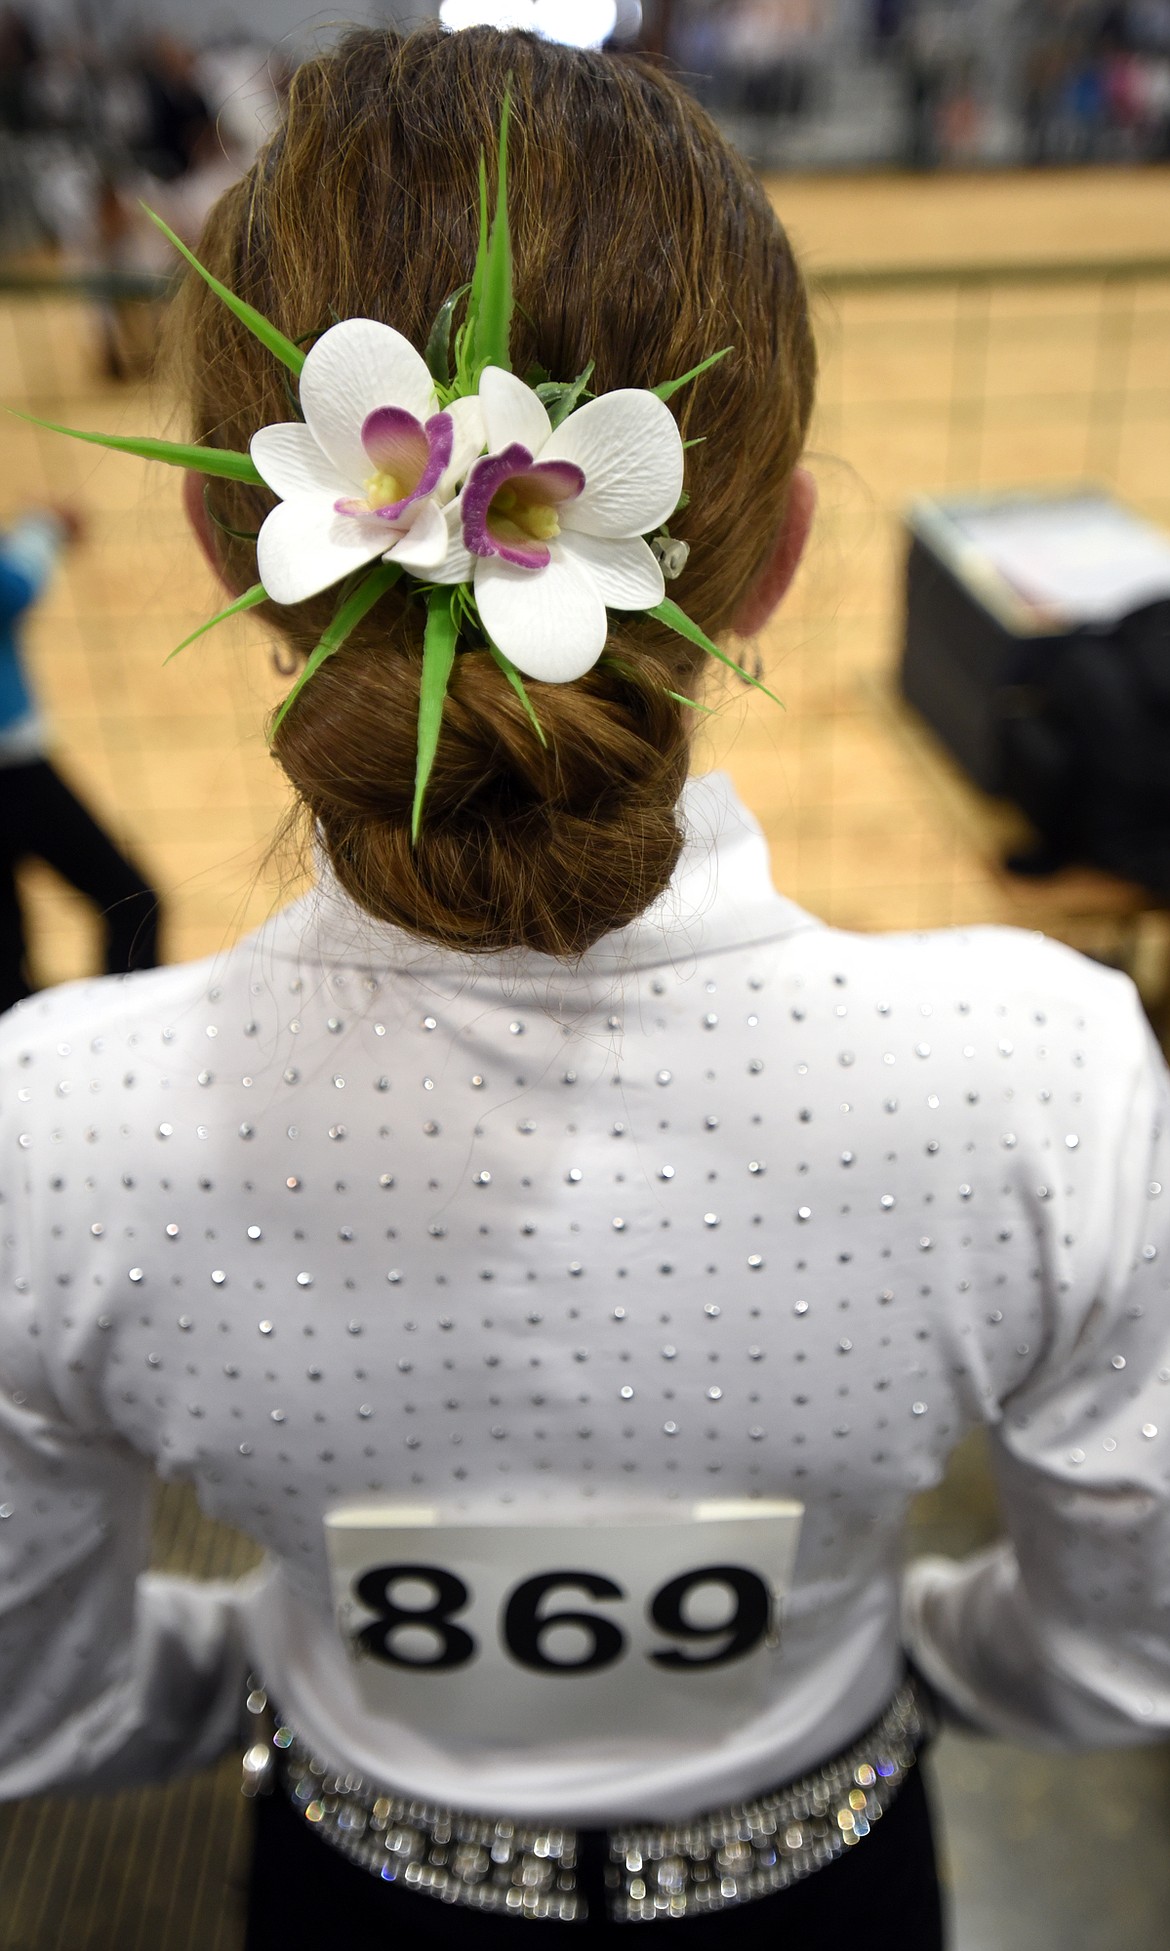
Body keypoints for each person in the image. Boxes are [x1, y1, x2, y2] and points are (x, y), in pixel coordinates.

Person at [2, 26, 1169, 1951]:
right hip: (825, 1879)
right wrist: (874, 1656)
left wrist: (301, 1678)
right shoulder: (1042, 1070)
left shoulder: (62, 1123)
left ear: (233, 539)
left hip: (353, 1881)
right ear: (781, 555)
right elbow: (1121, 1660)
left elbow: (44, 1704)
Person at [0, 506, 160, 1009]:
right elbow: (12, 588)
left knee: (6, 949)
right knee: (133, 906)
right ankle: (122, 1038)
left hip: (20, 770)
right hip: (16, 774)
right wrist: (43, 529)